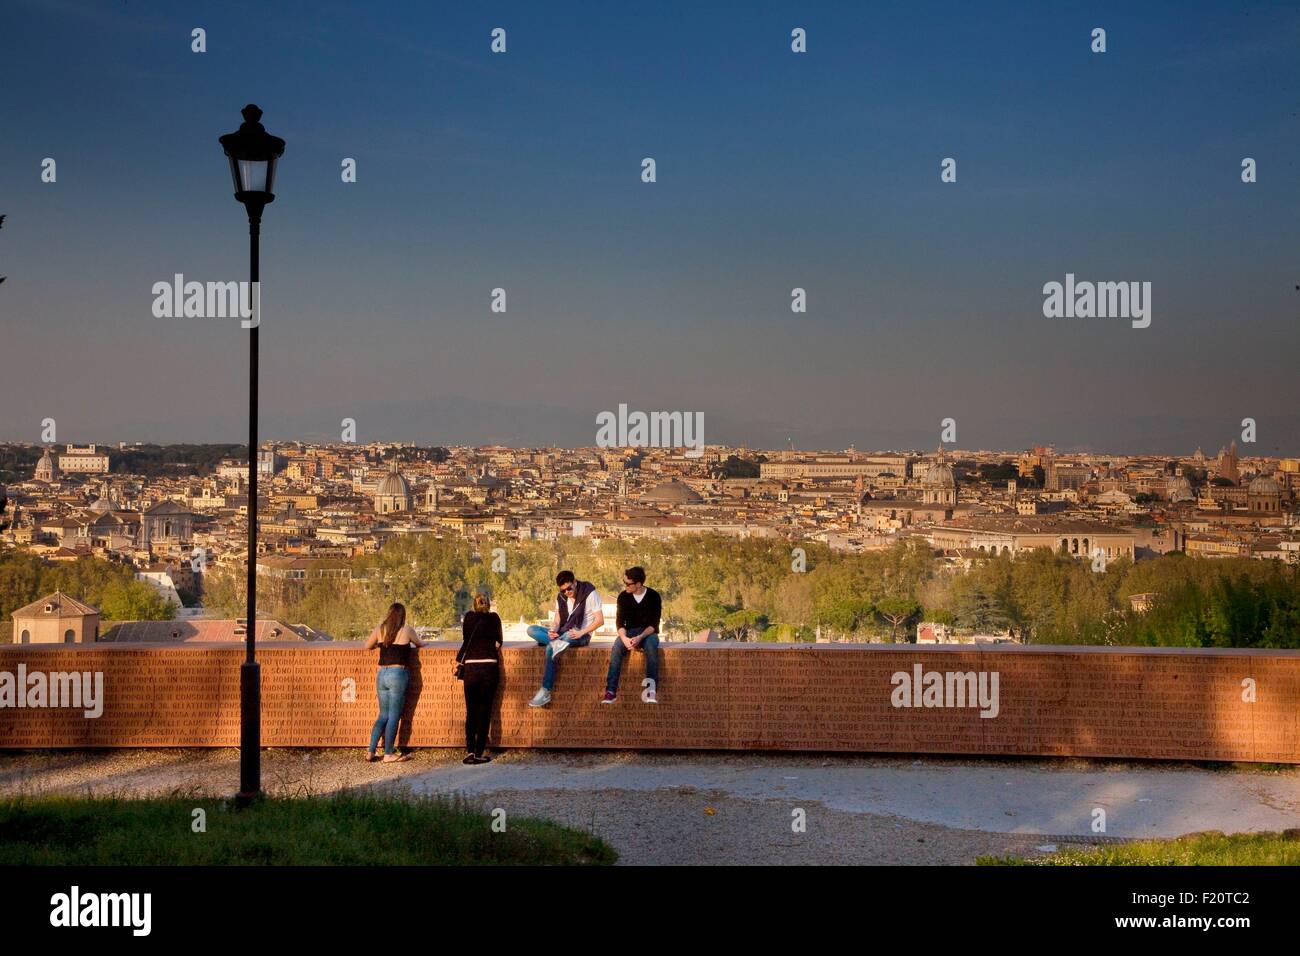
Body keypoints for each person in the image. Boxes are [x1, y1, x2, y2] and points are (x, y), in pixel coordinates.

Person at [527, 569, 603, 707]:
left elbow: (599, 620)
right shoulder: (561, 597)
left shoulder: (589, 593)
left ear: (575, 582)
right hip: (562, 632)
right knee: (531, 629)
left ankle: (545, 691)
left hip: (580, 634)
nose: (567, 592)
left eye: (569, 588)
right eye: (563, 590)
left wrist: (581, 633)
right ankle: (558, 642)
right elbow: (557, 619)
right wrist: (553, 630)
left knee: (553, 646)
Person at [363, 602, 423, 762]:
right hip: (398, 674)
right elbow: (419, 644)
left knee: (383, 715)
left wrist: (380, 644)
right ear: (403, 615)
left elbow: (367, 646)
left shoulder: (380, 629)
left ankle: (370, 751)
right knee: (394, 716)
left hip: (382, 674)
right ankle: (388, 753)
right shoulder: (407, 630)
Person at [604, 566, 661, 704]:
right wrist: (624, 639)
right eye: (624, 583)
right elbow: (619, 622)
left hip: (647, 632)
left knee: (651, 647)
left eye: (628, 584)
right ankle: (611, 691)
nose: (626, 586)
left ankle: (650, 691)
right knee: (616, 647)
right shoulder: (623, 597)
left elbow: (654, 624)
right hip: (628, 632)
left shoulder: (654, 596)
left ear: (639, 584)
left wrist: (640, 637)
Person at [458, 592, 503, 764]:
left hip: (471, 667)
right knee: (485, 711)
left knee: (471, 712)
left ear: (474, 605)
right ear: (489, 604)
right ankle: (478, 752)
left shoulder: (468, 617)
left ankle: (469, 751)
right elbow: (498, 643)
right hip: (489, 667)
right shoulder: (494, 618)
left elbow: (466, 640)